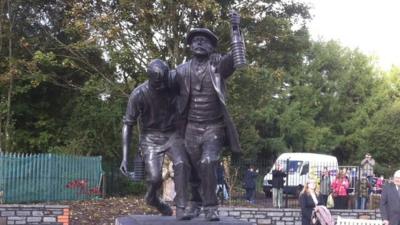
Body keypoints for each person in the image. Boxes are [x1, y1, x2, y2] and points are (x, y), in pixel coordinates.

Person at [168, 12, 244, 221]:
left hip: (214, 127)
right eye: (195, 40)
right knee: (192, 168)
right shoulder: (181, 70)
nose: (199, 43)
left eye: (205, 40)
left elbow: (238, 59)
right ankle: (195, 203)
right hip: (190, 127)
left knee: (208, 161)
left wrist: (236, 29)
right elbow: (163, 89)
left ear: (212, 47)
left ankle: (211, 206)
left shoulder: (218, 66)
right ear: (190, 46)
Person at [119, 59, 191, 220]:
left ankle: (181, 207)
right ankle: (152, 198)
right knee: (154, 178)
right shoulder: (138, 94)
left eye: (164, 82)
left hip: (172, 134)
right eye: (158, 84)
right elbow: (128, 125)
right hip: (150, 137)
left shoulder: (173, 84)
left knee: (182, 164)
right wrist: (124, 157)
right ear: (150, 79)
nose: (162, 87)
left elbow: (190, 71)